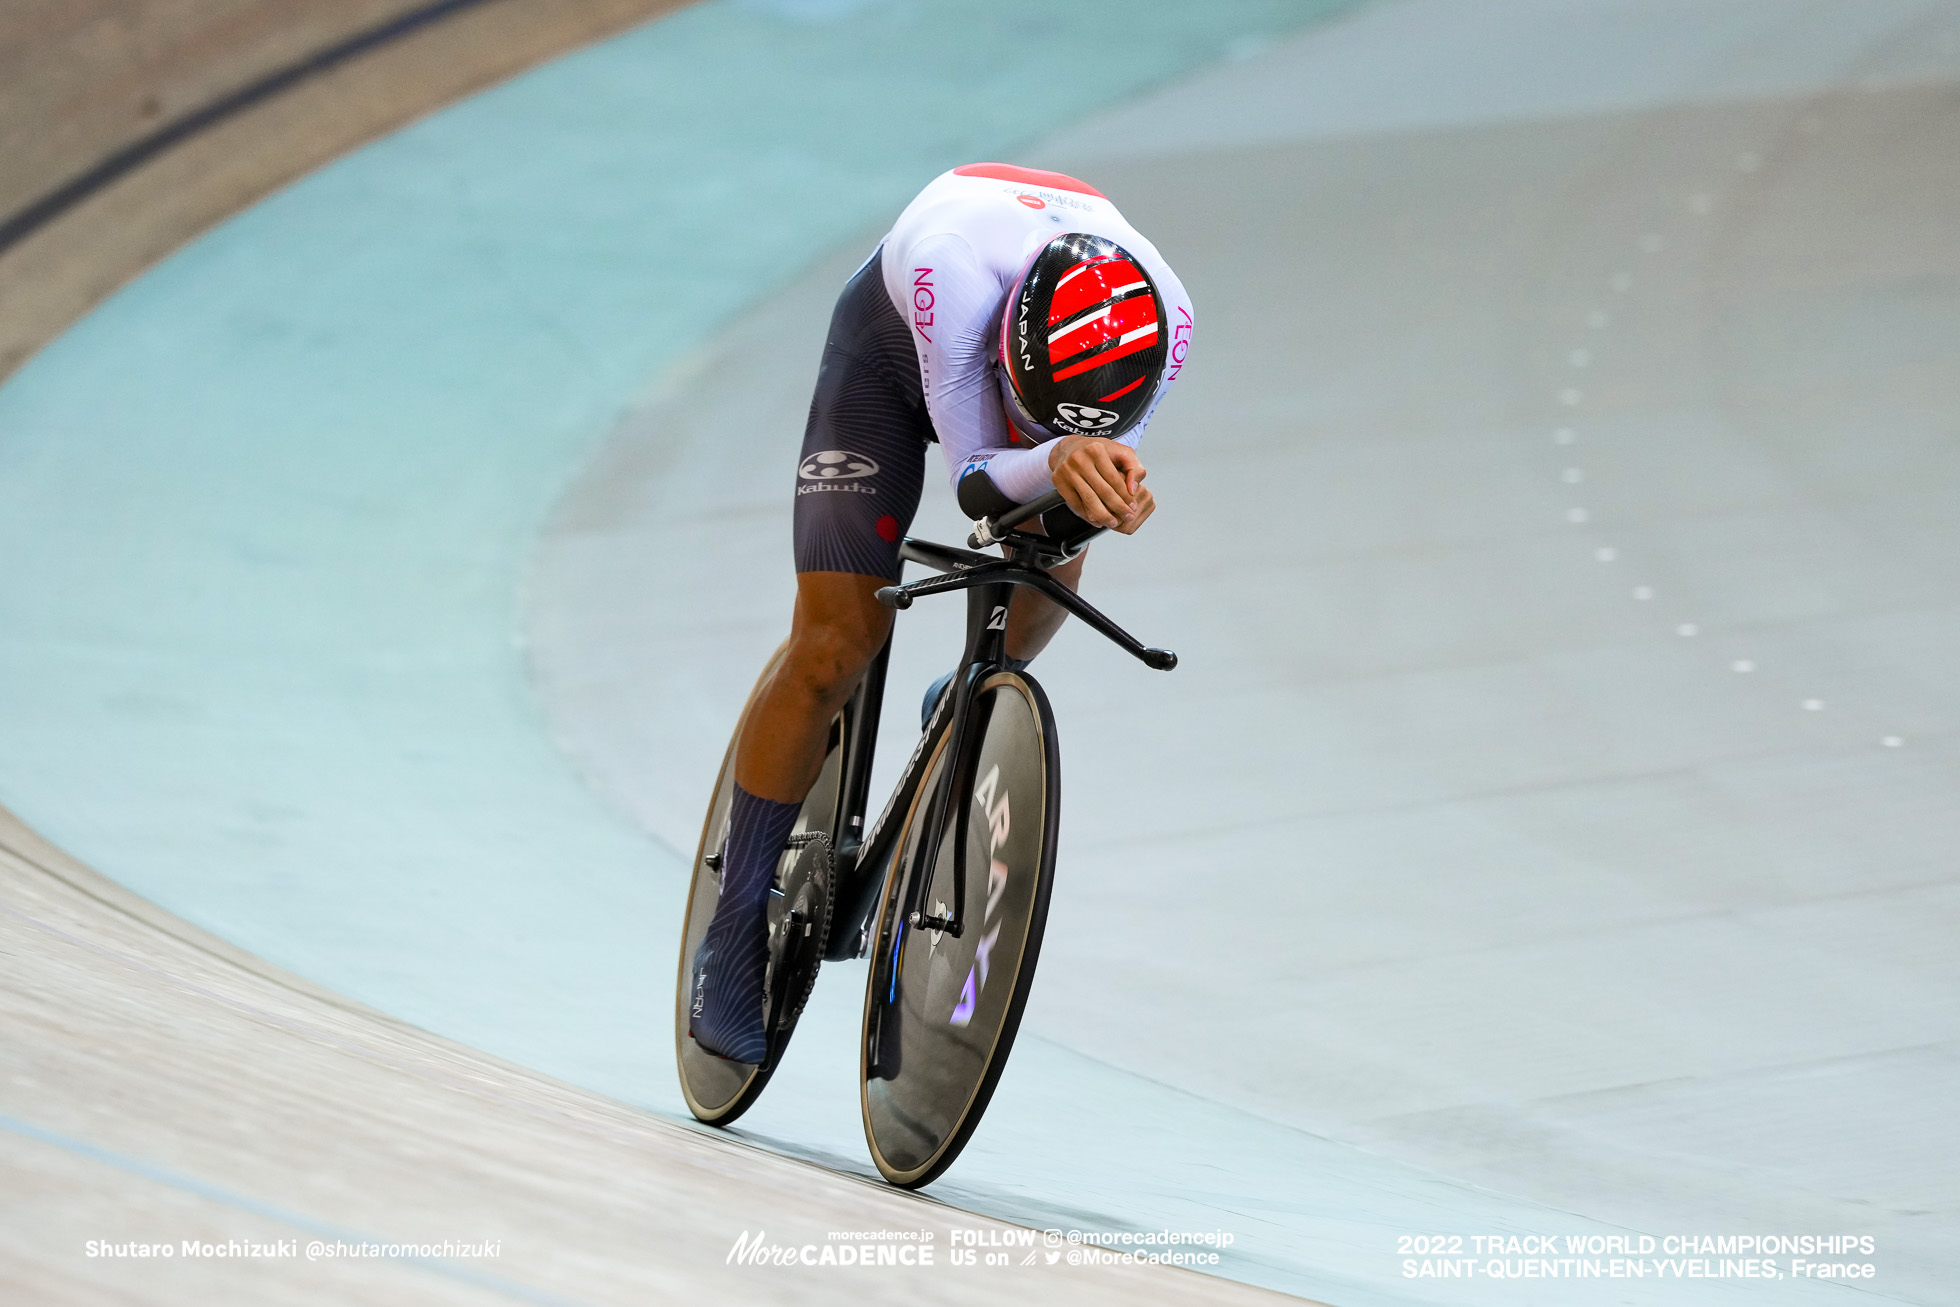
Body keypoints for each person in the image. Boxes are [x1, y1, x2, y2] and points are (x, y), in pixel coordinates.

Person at [688, 162, 1194, 1062]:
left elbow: (1085, 468)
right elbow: (972, 482)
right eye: (1028, 413)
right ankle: (732, 929)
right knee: (835, 643)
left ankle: (966, 694)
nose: (1034, 431)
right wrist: (1057, 455)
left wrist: (1099, 480)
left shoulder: (1171, 318)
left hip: (1053, 390)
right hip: (885, 364)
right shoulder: (952, 276)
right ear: (1005, 348)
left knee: (1062, 531)